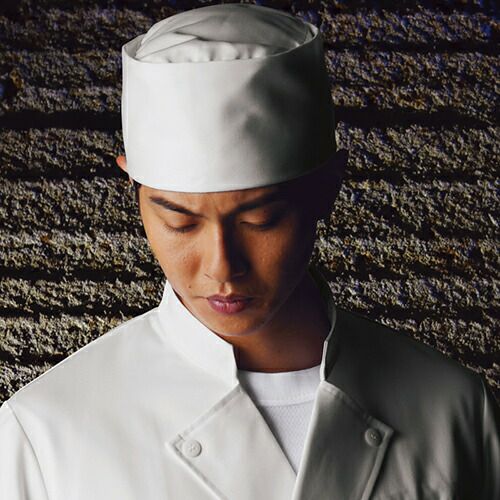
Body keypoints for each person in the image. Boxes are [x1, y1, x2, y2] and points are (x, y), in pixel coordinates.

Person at [0, 4, 498, 499]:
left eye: (260, 220)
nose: (222, 266)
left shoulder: (454, 412)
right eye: (180, 222)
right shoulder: (46, 432)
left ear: (327, 188)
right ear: (133, 188)